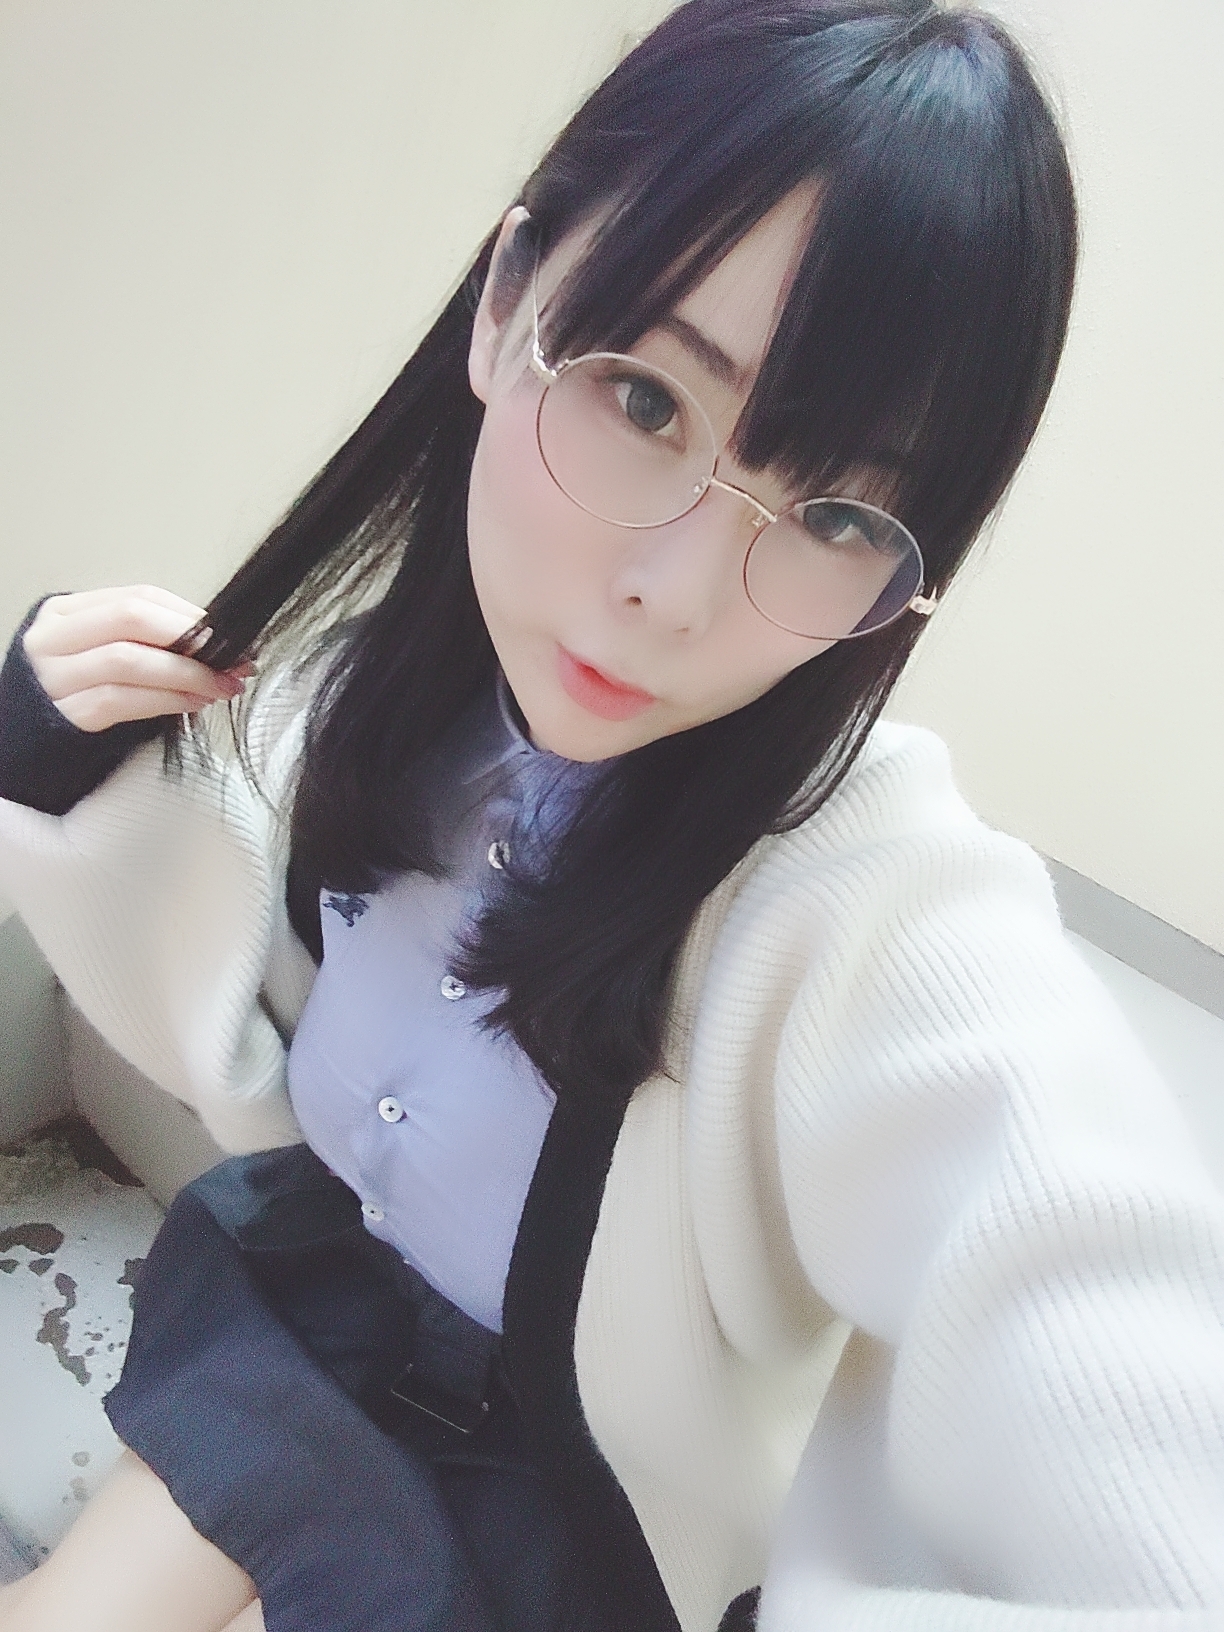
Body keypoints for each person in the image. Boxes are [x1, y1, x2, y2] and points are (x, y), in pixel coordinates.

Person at [1, 1, 1222, 1628]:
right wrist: (48, 746)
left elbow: (1127, 1390)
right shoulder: (382, 687)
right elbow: (230, 939)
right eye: (647, 401)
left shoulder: (869, 909)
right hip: (326, 1320)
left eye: (838, 515)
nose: (675, 591)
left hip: (563, 1507)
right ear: (507, 301)